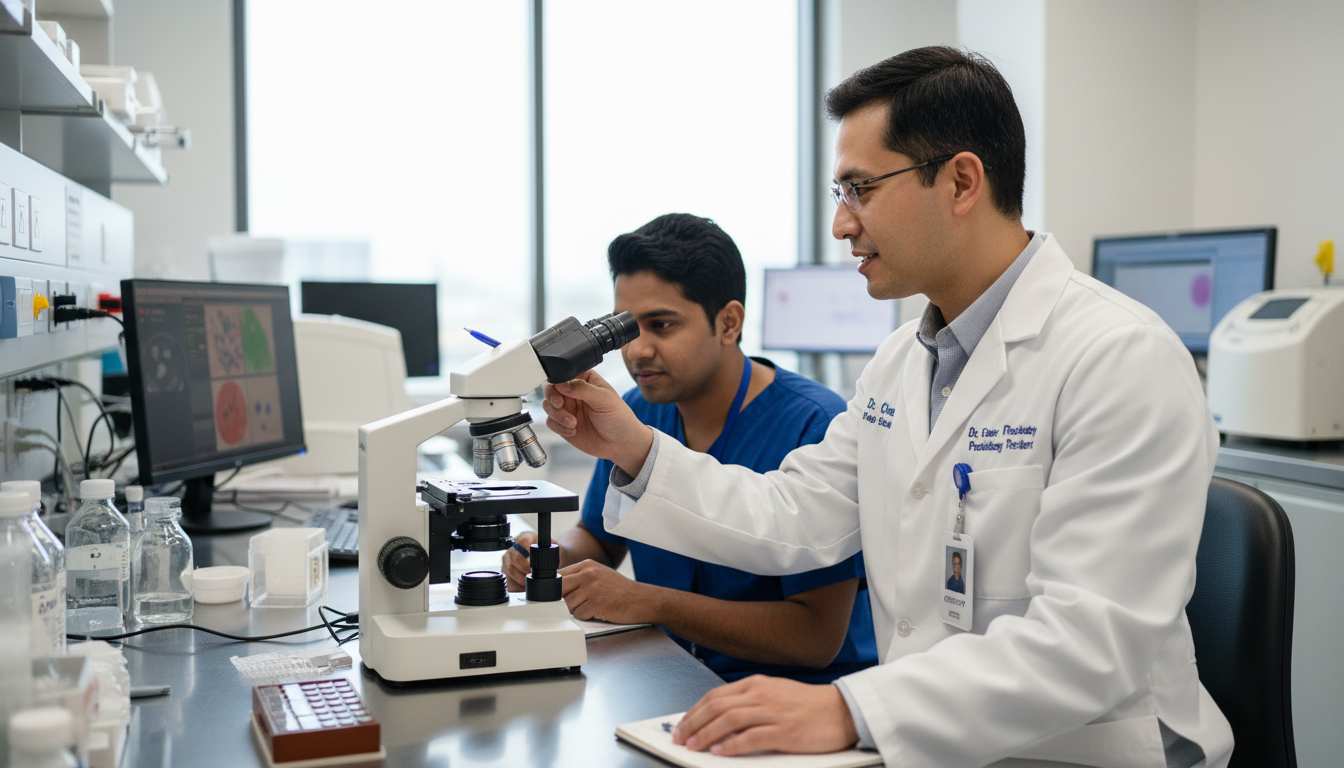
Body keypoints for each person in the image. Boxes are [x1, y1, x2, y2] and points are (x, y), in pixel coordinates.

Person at [540, 47, 1232, 768]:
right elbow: (795, 517)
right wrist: (633, 447)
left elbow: (1090, 643)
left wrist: (851, 707)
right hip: (928, 741)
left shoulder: (1118, 357)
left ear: (962, 181)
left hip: (1085, 753)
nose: (843, 225)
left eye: (860, 189)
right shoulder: (903, 361)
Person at [503, 213, 877, 684]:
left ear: (728, 322)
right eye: (626, 329)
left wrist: (648, 601)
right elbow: (599, 539)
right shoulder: (636, 410)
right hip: (671, 671)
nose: (637, 351)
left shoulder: (815, 423)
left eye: (661, 325)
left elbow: (815, 637)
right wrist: (549, 556)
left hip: (792, 695)